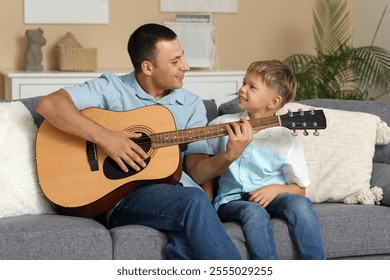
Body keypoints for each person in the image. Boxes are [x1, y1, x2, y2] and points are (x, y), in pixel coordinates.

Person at [36, 23, 253, 260]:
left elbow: (197, 173)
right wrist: (107, 138)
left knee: (191, 214)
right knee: (193, 201)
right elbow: (50, 104)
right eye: (175, 61)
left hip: (177, 195)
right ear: (148, 67)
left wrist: (229, 155)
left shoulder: (191, 105)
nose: (186, 66)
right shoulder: (112, 88)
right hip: (118, 196)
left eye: (183, 58)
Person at [208, 60, 326, 260]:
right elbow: (202, 166)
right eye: (244, 82)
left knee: (300, 205)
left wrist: (276, 189)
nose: (242, 89)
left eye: (251, 86)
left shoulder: (286, 138)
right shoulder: (221, 125)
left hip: (274, 198)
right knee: (254, 212)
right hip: (232, 200)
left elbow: (301, 188)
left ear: (273, 102)